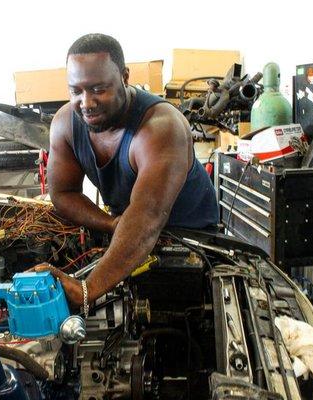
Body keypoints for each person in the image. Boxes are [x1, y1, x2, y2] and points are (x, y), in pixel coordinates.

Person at [36, 33, 218, 312]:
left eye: (98, 89)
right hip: (131, 232)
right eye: (76, 91)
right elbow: (62, 192)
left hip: (191, 246)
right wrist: (111, 224)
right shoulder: (65, 124)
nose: (86, 102)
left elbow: (147, 217)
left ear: (125, 76)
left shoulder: (160, 128)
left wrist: (87, 290)